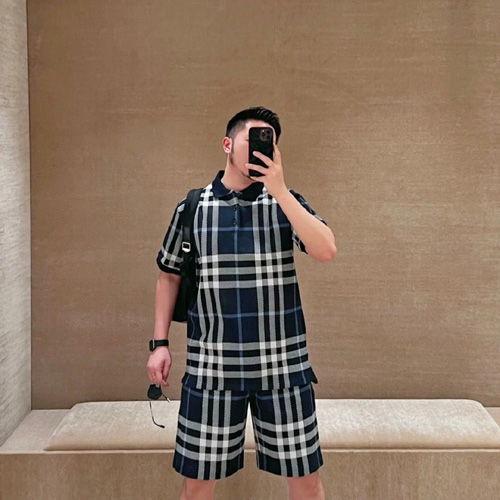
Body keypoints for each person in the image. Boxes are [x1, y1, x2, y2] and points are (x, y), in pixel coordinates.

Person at [147, 107, 336, 500]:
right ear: (227, 145)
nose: (260, 149)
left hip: (283, 368)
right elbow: (169, 275)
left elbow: (326, 250)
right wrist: (159, 344)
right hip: (212, 369)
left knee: (306, 481)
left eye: (269, 143)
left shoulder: (285, 204)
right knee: (197, 486)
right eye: (252, 140)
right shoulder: (193, 207)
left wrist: (280, 190)